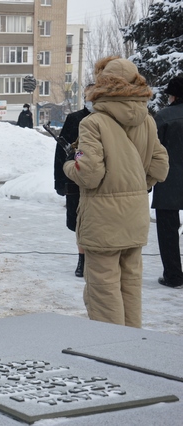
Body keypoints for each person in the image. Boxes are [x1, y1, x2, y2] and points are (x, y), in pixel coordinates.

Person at [63, 56, 169, 328]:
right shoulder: (147, 121)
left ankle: (109, 347)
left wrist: (69, 165)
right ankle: (131, 344)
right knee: (131, 286)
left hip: (103, 221)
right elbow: (160, 166)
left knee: (103, 291)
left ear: (103, 84)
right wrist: (137, 184)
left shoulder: (93, 122)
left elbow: (89, 174)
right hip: (135, 218)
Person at [54, 84, 95, 277]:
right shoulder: (74, 119)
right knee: (79, 223)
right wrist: (59, 180)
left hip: (97, 182)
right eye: (89, 97)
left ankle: (94, 259)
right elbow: (61, 152)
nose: (92, 101)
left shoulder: (107, 119)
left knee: (95, 222)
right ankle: (82, 259)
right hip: (75, 180)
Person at [152, 75, 183, 289]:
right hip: (170, 179)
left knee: (168, 231)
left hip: (168, 181)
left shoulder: (163, 117)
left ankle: (173, 276)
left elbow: (152, 150)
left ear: (173, 96)